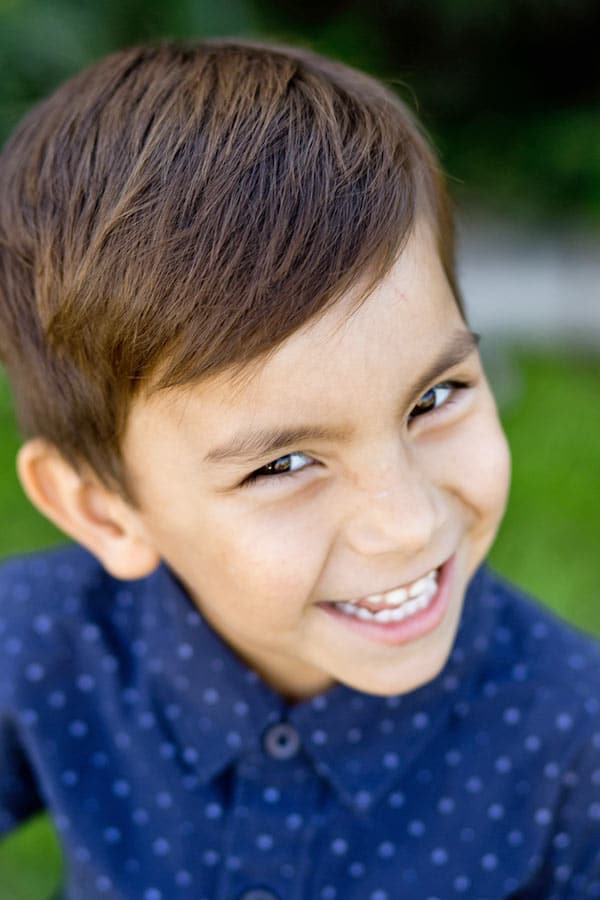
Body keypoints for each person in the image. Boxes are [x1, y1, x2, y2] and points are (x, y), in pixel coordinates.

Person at [0, 38, 598, 900]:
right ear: (103, 510)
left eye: (434, 399)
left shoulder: (575, 742)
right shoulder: (44, 644)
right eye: (284, 463)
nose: (410, 522)